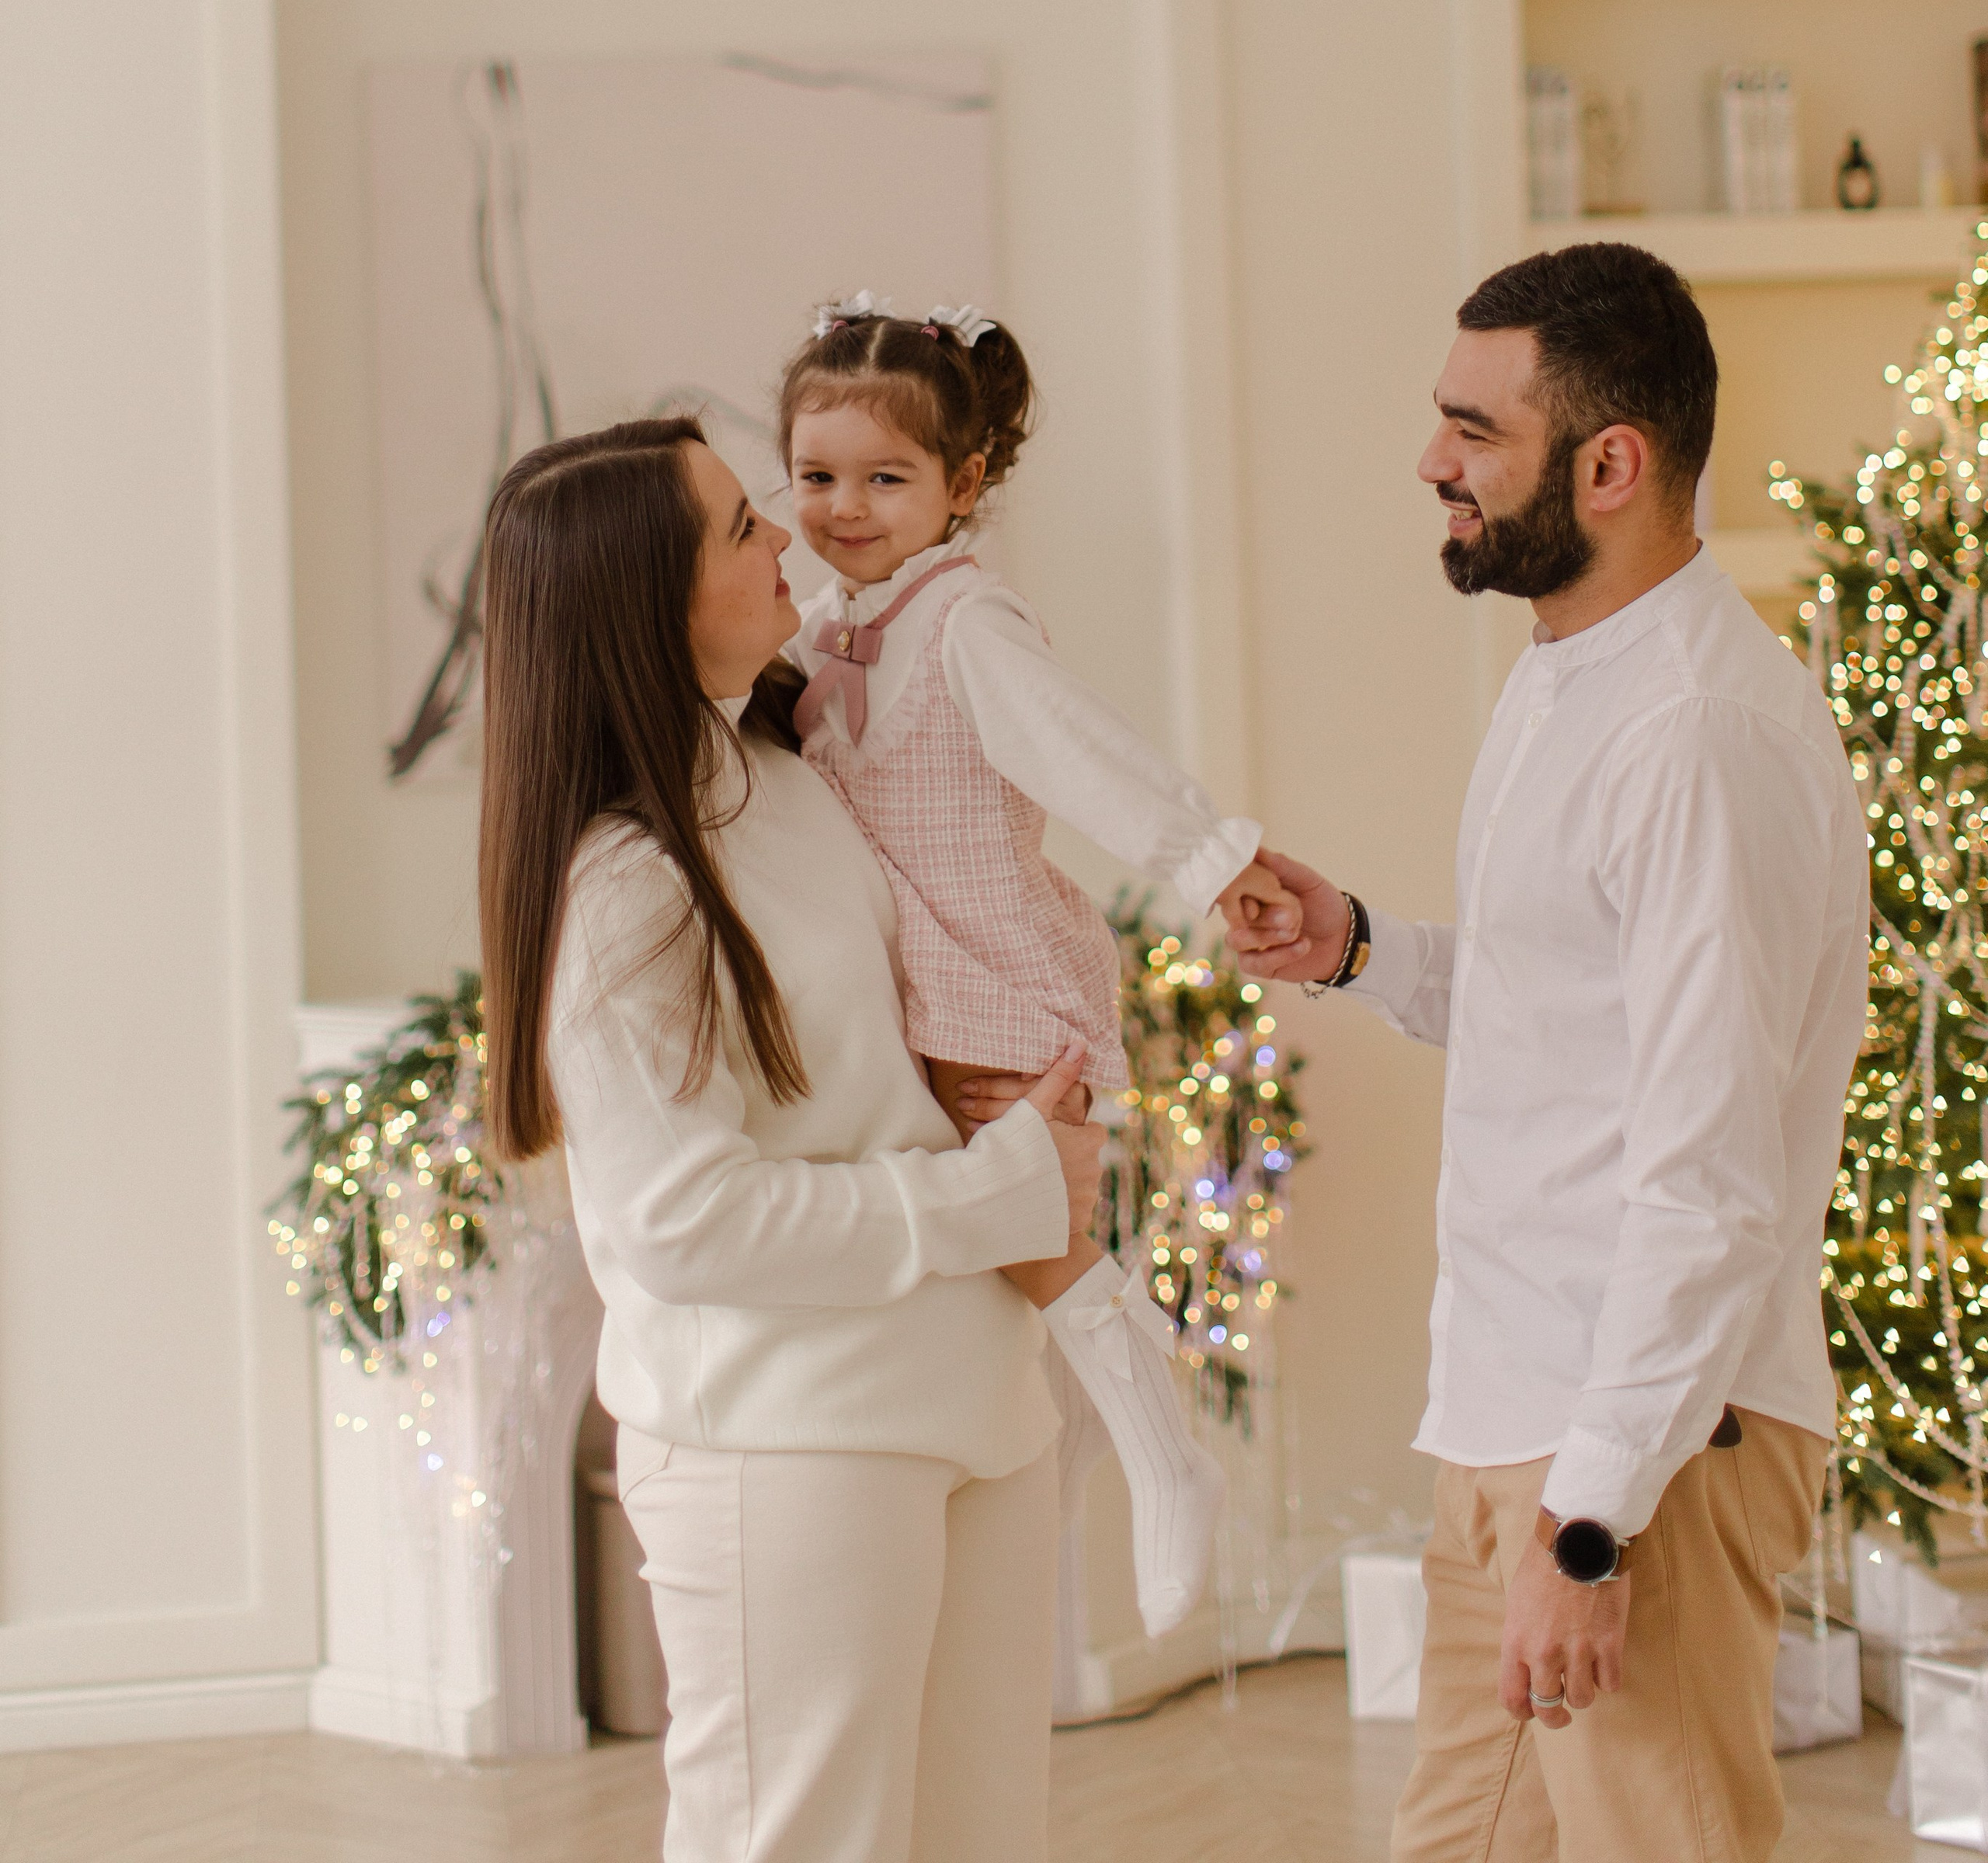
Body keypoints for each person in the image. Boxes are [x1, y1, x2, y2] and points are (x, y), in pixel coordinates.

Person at [1229, 242, 1868, 1863]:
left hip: (1638, 1441)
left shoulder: (1699, 739)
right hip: (1512, 1407)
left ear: (1608, 464)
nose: (1430, 461)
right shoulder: (1566, 681)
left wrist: (1588, 1525)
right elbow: (1565, 1007)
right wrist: (1366, 948)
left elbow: (1706, 1173)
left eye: (1471, 429)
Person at [477, 414, 1105, 1863]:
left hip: (974, 1411)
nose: (789, 541)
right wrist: (992, 1192)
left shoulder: (795, 776)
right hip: (794, 1443)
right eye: (739, 527)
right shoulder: (632, 885)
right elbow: (684, 1225)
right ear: (648, 603)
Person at [776, 293, 1301, 1635]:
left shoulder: (966, 627)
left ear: (962, 487)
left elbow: (1085, 751)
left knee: (1033, 1232)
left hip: (991, 972)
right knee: (989, 1248)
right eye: (817, 476)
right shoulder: (828, 626)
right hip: (908, 980)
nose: (844, 507)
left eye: (884, 479)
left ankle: (1165, 1459)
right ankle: (1069, 1468)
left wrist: (1207, 858)